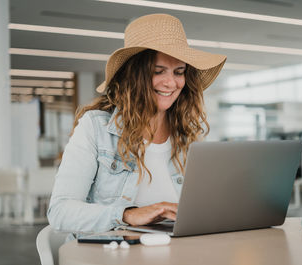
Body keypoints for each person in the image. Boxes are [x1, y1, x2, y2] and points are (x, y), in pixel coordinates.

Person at [47, 13, 226, 233]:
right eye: (157, 71)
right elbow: (60, 211)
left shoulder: (189, 136)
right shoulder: (95, 128)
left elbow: (201, 209)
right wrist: (126, 215)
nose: (171, 83)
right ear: (134, 75)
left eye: (179, 72)